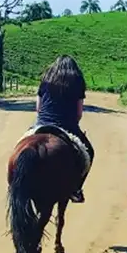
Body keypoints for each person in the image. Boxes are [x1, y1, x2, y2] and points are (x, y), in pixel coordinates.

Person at [31, 55, 94, 203]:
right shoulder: (77, 81)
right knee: (89, 152)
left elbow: (38, 108)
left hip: (41, 124)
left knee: (21, 143)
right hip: (67, 127)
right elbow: (78, 114)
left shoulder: (46, 78)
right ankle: (76, 189)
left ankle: (15, 180)